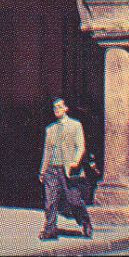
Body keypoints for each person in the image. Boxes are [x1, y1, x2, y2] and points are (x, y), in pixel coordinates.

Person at [39, 98, 92, 240]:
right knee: (51, 201)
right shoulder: (50, 129)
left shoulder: (75, 125)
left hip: (68, 170)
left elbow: (80, 146)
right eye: (54, 107)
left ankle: (85, 221)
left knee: (73, 199)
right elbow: (47, 150)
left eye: (60, 107)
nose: (56, 109)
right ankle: (50, 229)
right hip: (52, 169)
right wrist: (42, 171)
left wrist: (75, 161)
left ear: (66, 108)